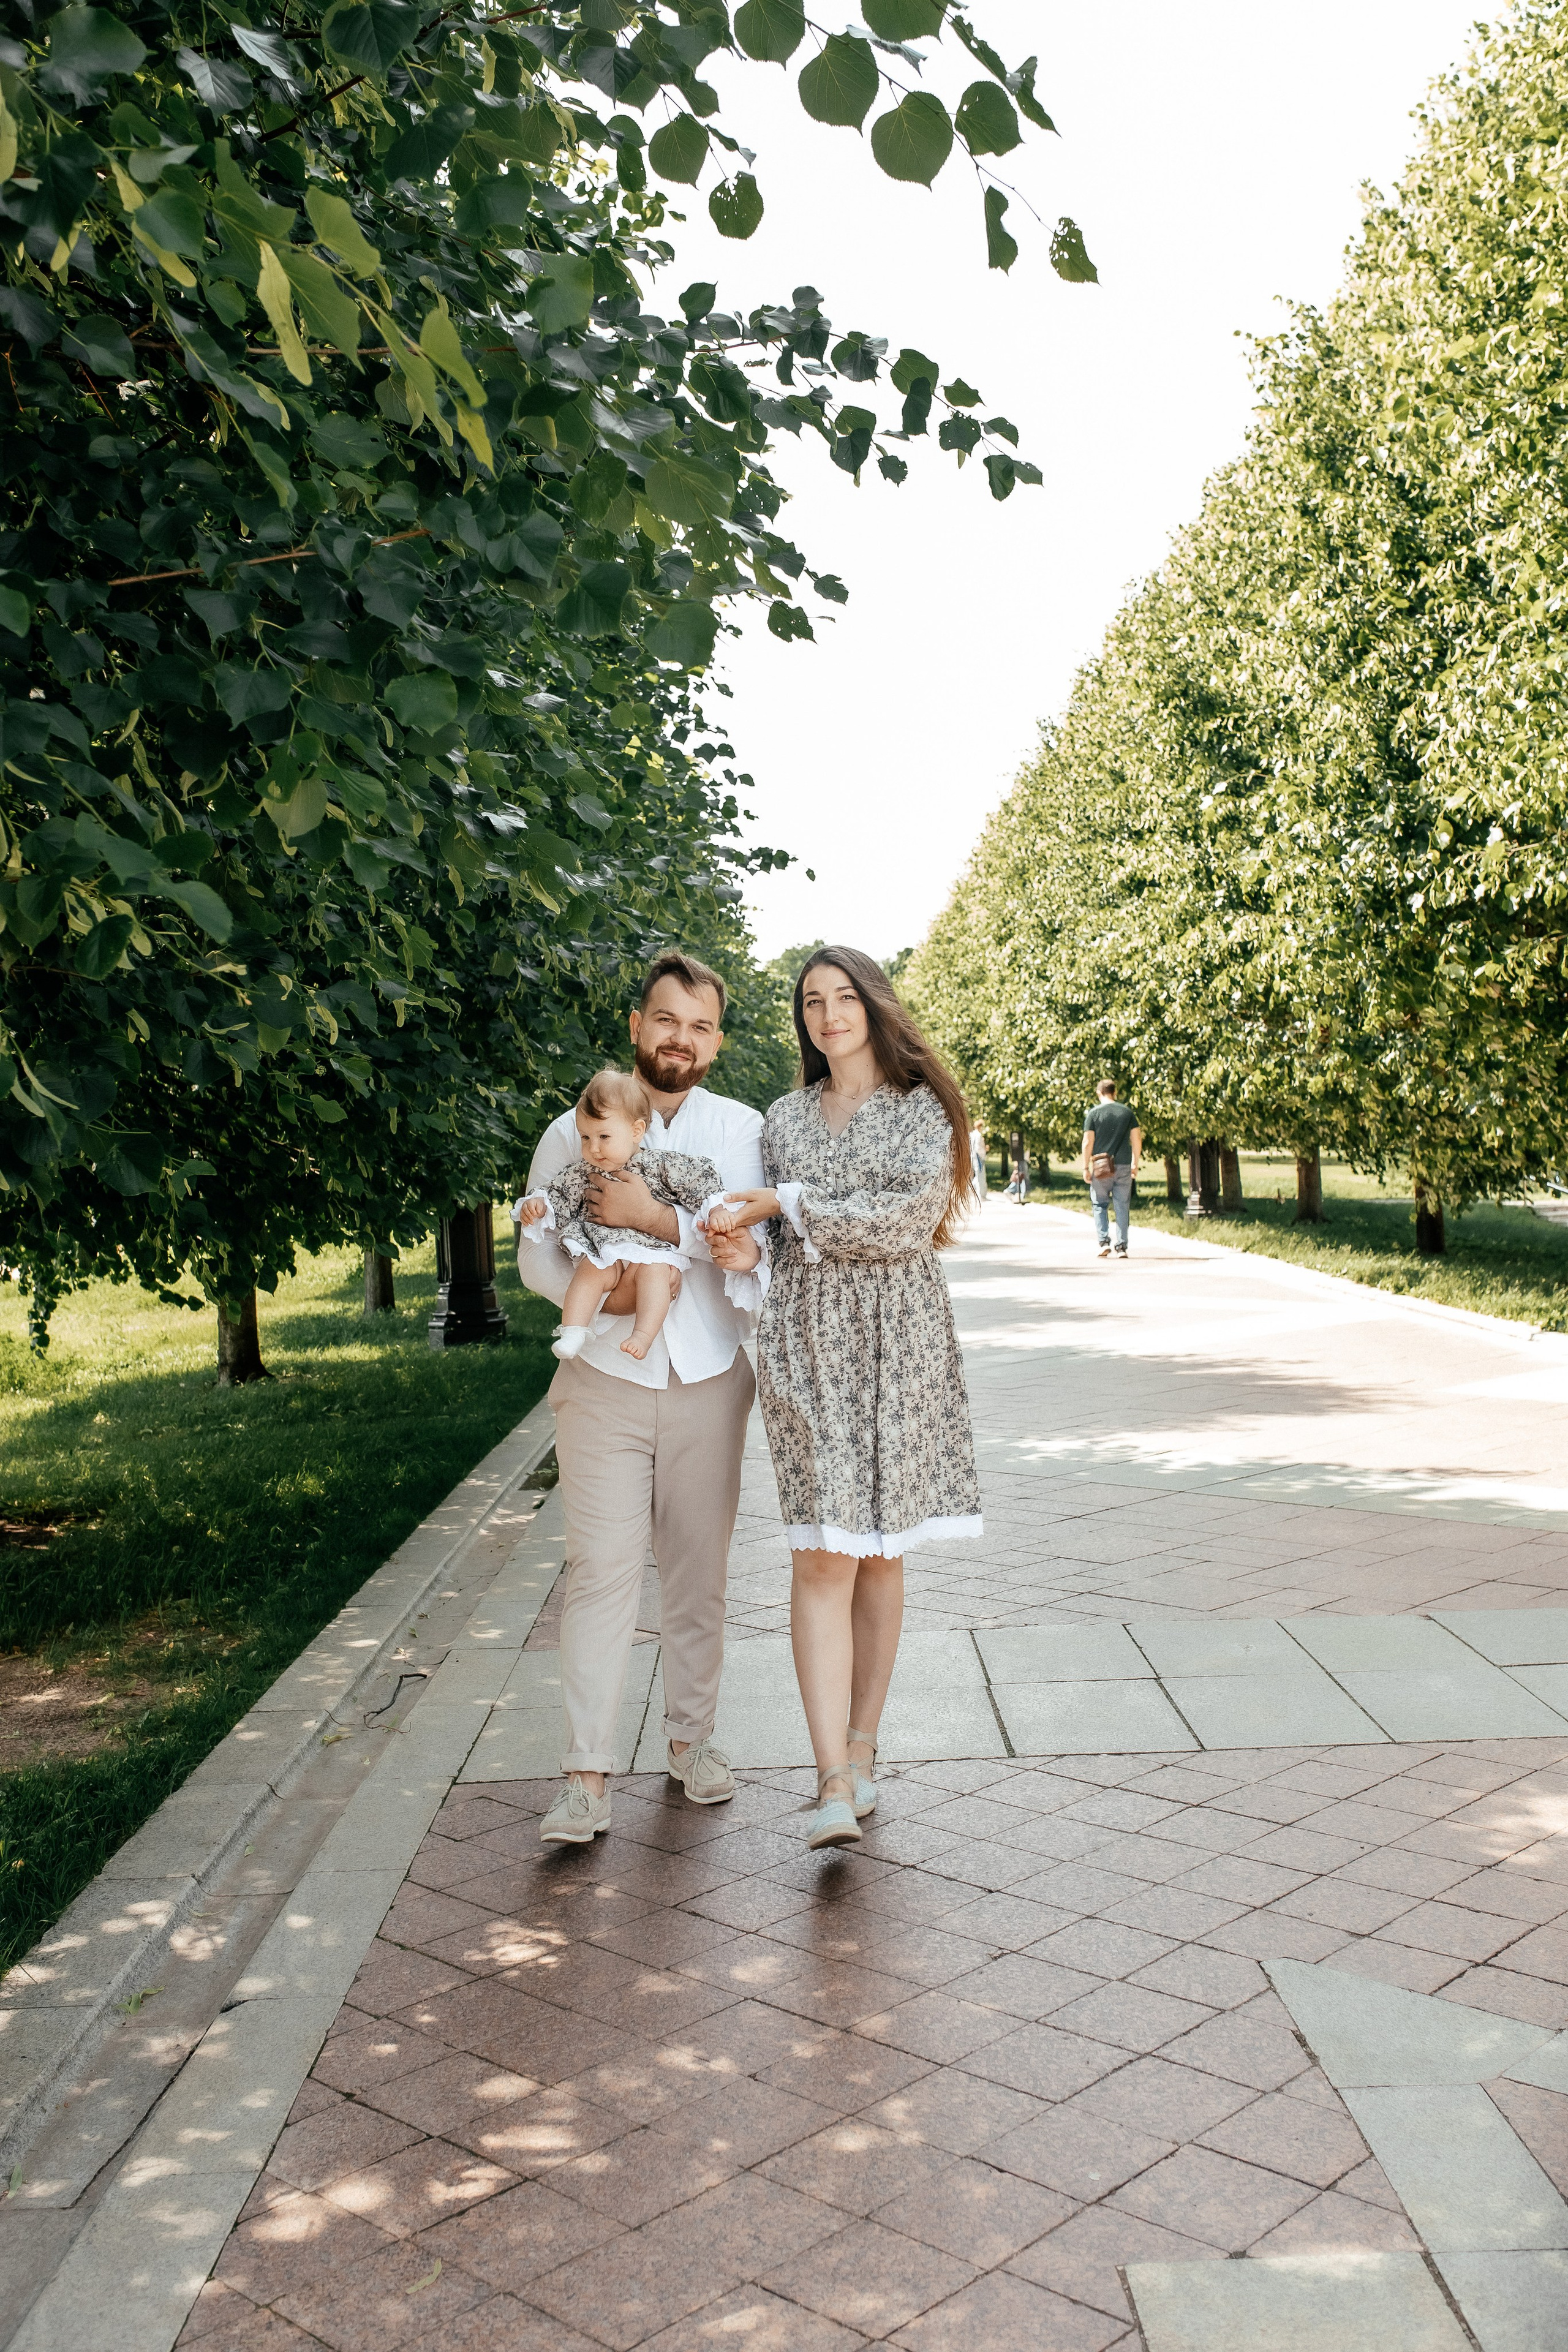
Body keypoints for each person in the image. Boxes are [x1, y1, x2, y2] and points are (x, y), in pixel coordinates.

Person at [706, 947, 982, 1851]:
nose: (828, 1015)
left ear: (873, 1004)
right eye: (811, 1002)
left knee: (881, 1556)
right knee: (823, 1555)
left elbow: (902, 1222)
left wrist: (785, 1207)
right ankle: (829, 1778)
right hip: (807, 1351)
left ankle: (865, 1748)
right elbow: (781, 1242)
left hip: (900, 1346)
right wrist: (752, 1244)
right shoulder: (783, 1120)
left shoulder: (922, 1111)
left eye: (842, 998)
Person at [516, 952, 766, 1845]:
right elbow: (537, 1252)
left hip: (706, 1381)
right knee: (601, 1575)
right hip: (604, 1383)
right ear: (636, 1025)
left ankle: (691, 1742)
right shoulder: (571, 1128)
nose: (680, 1041)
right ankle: (585, 1776)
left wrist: (659, 1224)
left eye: (699, 1027)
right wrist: (618, 1297)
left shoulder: (740, 1129)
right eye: (666, 1021)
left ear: (717, 1042)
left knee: (699, 1577)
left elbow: (737, 1235)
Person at [517, 1069, 723, 1362]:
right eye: (585, 1138)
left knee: (656, 1275)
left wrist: (715, 1206)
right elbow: (559, 1192)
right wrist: (540, 1205)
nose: (594, 1148)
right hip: (604, 1247)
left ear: (636, 1130)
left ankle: (643, 1334)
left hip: (650, 1249)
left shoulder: (658, 1164)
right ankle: (573, 1329)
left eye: (603, 1136)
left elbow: (697, 1179)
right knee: (590, 1270)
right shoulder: (583, 1172)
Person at [1081, 1077, 1142, 1259]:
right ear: (1115, 1093)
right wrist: (1135, 1163)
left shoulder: (1094, 1113)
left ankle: (1104, 1242)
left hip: (1101, 1167)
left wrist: (1085, 1166)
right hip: (1123, 1165)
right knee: (1122, 1205)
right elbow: (1136, 1139)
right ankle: (1122, 1246)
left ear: (1099, 1093)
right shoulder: (1127, 1113)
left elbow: (1087, 1141)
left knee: (1099, 1204)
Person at [1006, 1129, 1030, 1204]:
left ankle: (1022, 1193)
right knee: (1022, 1177)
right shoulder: (1021, 1145)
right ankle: (1019, 1192)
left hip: (1024, 1160)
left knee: (1022, 1177)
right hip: (1022, 1160)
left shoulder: (1024, 1145)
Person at [968, 1117, 987, 1195]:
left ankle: (970, 1191)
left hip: (973, 1157)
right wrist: (984, 1152)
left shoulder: (972, 1135)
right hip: (978, 1158)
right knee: (980, 1176)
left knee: (977, 1176)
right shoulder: (979, 1136)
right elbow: (978, 1148)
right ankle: (980, 1194)